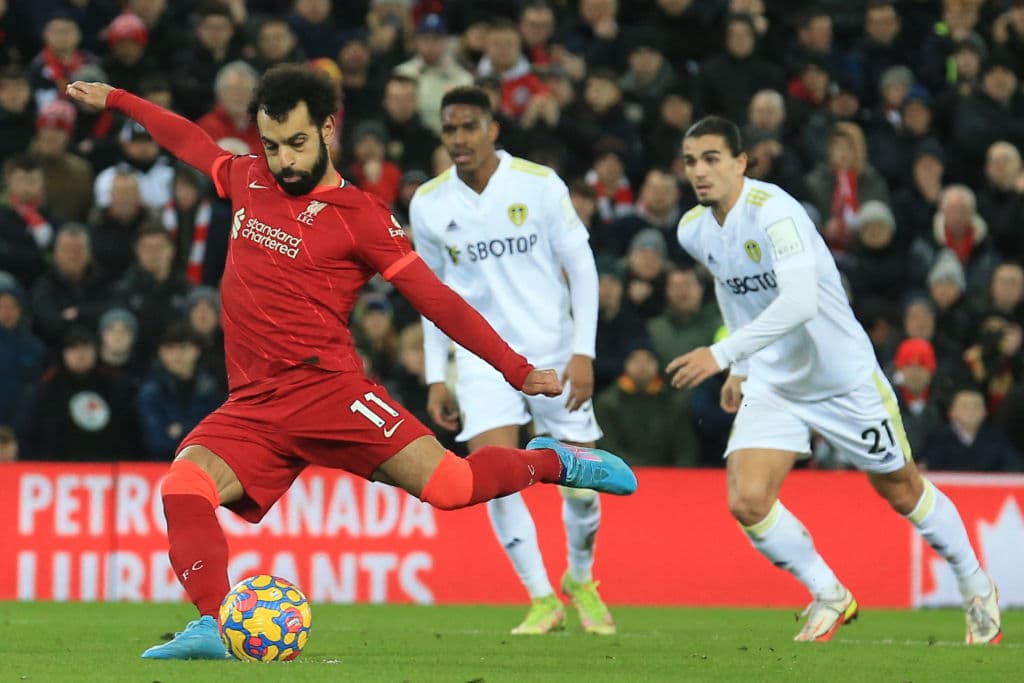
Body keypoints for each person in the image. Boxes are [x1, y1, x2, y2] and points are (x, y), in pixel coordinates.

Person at [66, 64, 635, 660]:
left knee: (451, 485)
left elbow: (438, 302)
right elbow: (188, 139)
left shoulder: (361, 217)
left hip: (328, 393)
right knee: (184, 484)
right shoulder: (248, 178)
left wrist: (516, 369)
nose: (283, 160)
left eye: (297, 143)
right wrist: (119, 99)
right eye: (271, 145)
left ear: (328, 129)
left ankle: (553, 461)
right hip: (254, 405)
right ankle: (213, 623)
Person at [667, 115, 1000, 645]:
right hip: (775, 379)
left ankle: (977, 586)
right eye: (690, 161)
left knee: (902, 489)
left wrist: (721, 351)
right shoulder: (694, 230)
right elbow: (731, 289)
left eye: (711, 159)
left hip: (841, 378)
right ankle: (829, 593)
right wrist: (743, 366)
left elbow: (798, 302)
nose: (700, 172)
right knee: (747, 500)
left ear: (740, 162)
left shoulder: (776, 212)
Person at [410, 86, 614, 636]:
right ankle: (542, 598)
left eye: (468, 127)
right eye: (449, 129)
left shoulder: (539, 184)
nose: (458, 139)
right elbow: (429, 296)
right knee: (492, 475)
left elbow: (584, 268)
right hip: (481, 361)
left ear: (492, 129)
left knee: (582, 482)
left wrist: (584, 352)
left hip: (553, 350)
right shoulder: (429, 202)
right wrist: (436, 375)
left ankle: (582, 579)